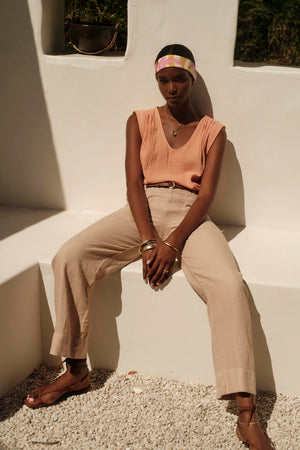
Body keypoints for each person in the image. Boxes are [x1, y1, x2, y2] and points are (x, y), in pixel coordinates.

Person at [25, 44, 273, 449]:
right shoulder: (139, 121)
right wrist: (147, 241)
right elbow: (133, 185)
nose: (171, 88)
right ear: (156, 81)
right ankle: (75, 369)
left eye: (179, 79)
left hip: (192, 216)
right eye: (163, 80)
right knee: (68, 256)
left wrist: (171, 245)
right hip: (143, 209)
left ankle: (246, 410)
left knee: (229, 286)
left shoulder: (214, 131)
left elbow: (206, 195)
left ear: (192, 79)